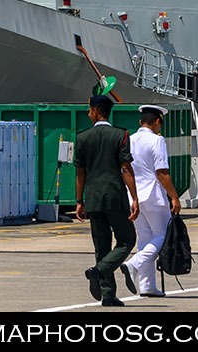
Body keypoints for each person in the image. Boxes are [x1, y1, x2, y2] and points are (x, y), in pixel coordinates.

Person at [73, 93, 138, 307]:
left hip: (92, 197)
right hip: (114, 196)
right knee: (127, 240)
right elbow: (126, 168)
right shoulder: (121, 135)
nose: (88, 113)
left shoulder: (82, 138)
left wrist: (79, 200)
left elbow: (80, 173)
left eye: (89, 109)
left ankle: (108, 294)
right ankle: (98, 272)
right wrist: (134, 197)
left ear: (95, 111)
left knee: (101, 245)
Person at [121, 103, 180, 298]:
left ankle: (147, 285)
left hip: (135, 196)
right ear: (157, 122)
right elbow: (162, 172)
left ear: (140, 122)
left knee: (145, 238)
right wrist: (174, 196)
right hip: (153, 195)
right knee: (163, 236)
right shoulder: (157, 140)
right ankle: (134, 264)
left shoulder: (130, 139)